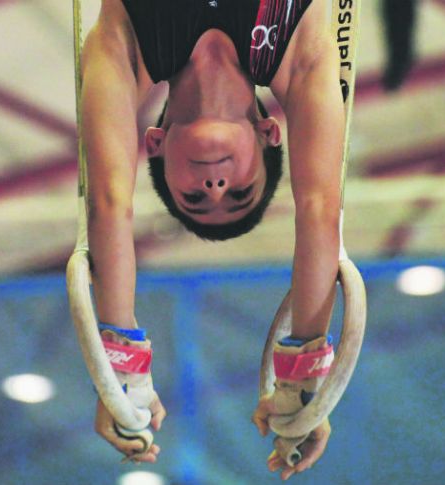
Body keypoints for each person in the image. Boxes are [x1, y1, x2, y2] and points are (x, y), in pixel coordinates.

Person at [81, 0, 346, 479]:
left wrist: (121, 373)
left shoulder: (126, 49)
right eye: (239, 192)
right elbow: (319, 209)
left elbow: (110, 202)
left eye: (195, 197)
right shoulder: (299, 53)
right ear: (269, 133)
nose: (216, 187)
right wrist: (303, 385)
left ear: (155, 144)